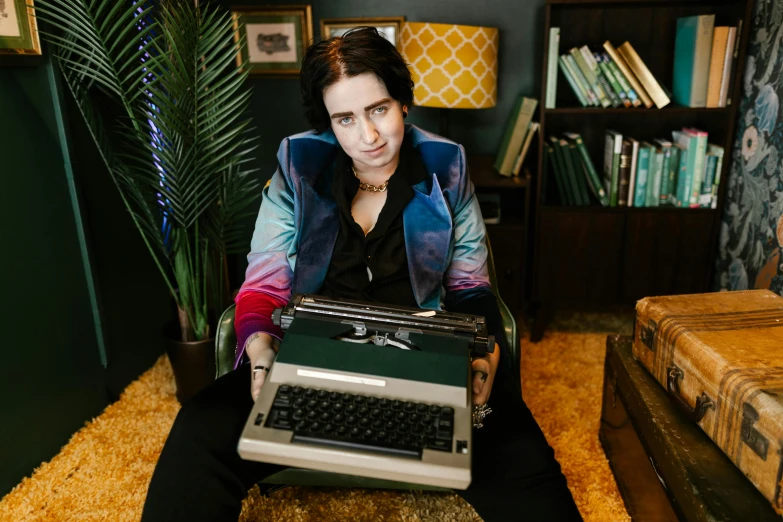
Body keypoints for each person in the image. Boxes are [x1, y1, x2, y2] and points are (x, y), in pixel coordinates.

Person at [141, 27, 582, 522]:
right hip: (314, 359)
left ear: (404, 104)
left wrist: (485, 354)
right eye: (345, 118)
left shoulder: (446, 169)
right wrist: (262, 350)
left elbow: (470, 286)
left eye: (379, 109)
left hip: (425, 366)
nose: (368, 136)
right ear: (328, 123)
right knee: (198, 430)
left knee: (526, 466)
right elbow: (264, 283)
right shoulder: (298, 170)